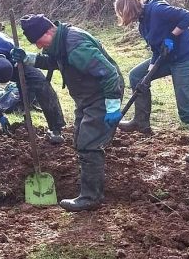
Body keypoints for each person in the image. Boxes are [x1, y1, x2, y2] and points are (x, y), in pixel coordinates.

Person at [11, 14, 123, 211]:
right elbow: (55, 62)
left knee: (88, 143)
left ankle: (91, 197)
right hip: (87, 98)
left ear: (48, 31)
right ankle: (89, 187)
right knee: (80, 139)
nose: (38, 46)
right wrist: (28, 58)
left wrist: (112, 105)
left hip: (102, 96)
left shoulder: (75, 46)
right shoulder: (60, 42)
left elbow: (109, 73)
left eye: (38, 42)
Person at [113, 0, 189, 163]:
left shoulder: (157, 8)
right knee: (137, 76)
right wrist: (149, 73)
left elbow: (187, 16)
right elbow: (156, 50)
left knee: (185, 106)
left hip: (186, 58)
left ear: (130, 8)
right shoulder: (143, 23)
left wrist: (171, 36)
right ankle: (141, 122)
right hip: (167, 59)